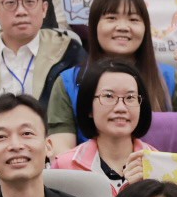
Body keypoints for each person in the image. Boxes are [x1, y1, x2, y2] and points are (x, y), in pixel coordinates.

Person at [46, 0, 177, 132]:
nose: (123, 27)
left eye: (133, 19)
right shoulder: (68, 83)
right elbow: (61, 151)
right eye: (111, 18)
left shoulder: (169, 79)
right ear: (94, 25)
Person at [52, 57, 158, 189]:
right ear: (89, 107)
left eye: (130, 97)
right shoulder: (64, 166)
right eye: (108, 96)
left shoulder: (159, 166)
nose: (121, 108)